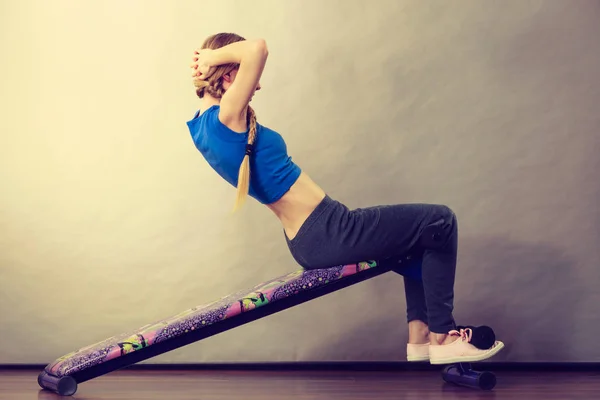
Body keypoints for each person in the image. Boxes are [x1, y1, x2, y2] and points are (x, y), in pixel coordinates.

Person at [187, 32, 504, 365]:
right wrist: (210, 58)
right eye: (251, 78)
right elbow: (258, 48)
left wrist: (216, 61)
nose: (258, 86)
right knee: (440, 221)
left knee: (423, 240)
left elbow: (248, 58)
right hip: (328, 230)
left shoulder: (203, 128)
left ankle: (421, 335)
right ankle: (442, 336)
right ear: (228, 75)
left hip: (314, 235)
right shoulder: (226, 119)